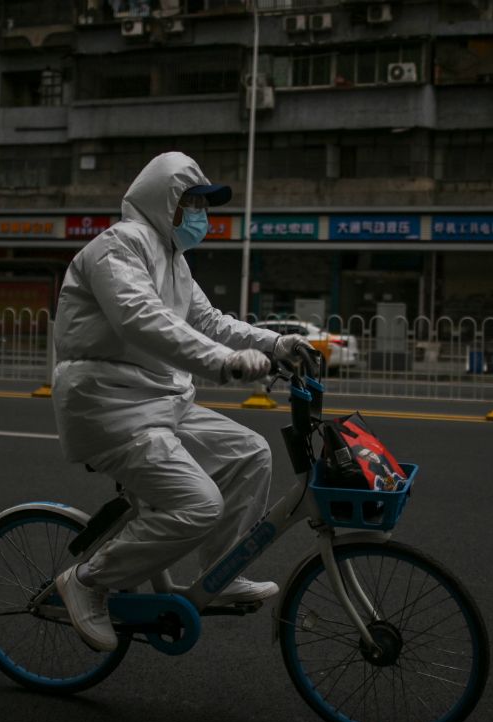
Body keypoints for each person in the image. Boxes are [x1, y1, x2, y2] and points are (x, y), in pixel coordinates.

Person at [50, 152, 318, 652]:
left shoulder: (175, 260)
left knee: (251, 453)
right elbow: (140, 318)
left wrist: (273, 343)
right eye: (190, 202)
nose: (200, 213)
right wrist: (224, 361)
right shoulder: (119, 247)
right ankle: (88, 581)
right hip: (110, 407)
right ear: (163, 200)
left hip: (161, 401)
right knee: (198, 505)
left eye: (203, 204)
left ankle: (218, 577)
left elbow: (211, 321)